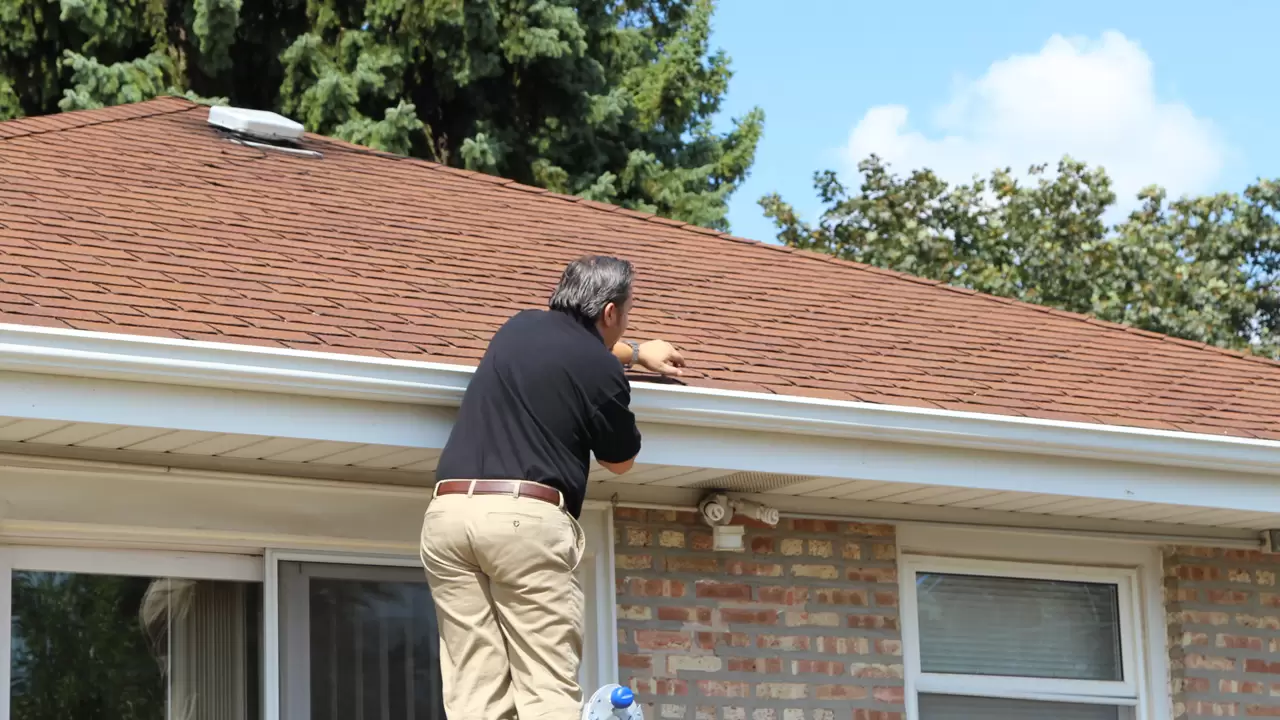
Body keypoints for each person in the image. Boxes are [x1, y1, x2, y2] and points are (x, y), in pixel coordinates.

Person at [420, 255, 685, 720]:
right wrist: (624, 363)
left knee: (474, 687)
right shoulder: (602, 373)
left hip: (448, 516)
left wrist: (636, 349)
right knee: (546, 686)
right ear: (609, 313)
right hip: (523, 520)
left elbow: (580, 346)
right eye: (626, 313)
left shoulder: (518, 327)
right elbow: (619, 461)